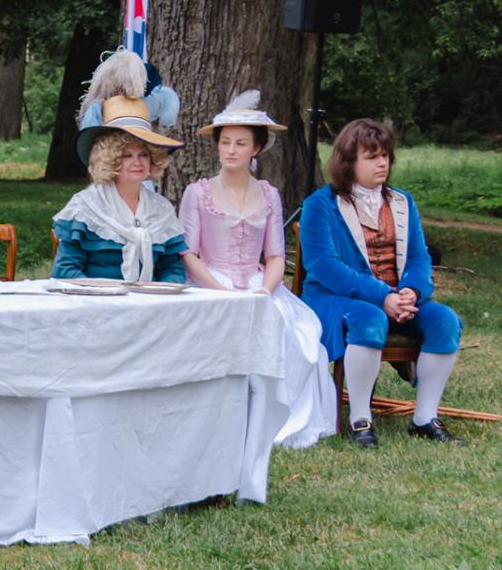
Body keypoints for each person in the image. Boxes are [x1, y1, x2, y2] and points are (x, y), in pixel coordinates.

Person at [179, 90, 336, 448]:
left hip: (258, 280)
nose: (231, 150)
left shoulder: (269, 195)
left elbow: (276, 255)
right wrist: (221, 292)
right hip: (207, 281)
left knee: (297, 335)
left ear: (256, 149)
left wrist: (265, 290)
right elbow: (188, 254)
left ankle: (275, 419)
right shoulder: (197, 193)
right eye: (225, 142)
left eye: (241, 143)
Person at [300, 119, 466, 447]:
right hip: (334, 298)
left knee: (444, 321)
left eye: (386, 155)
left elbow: (419, 257)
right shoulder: (321, 204)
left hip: (397, 297)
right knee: (369, 317)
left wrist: (411, 292)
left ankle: (424, 418)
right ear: (349, 162)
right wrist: (384, 296)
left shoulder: (402, 202)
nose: (382, 163)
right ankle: (360, 419)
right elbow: (325, 267)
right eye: (372, 156)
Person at [52, 51, 187, 283]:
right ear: (110, 158)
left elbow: (173, 268)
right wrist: (108, 299)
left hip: (150, 310)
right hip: (96, 309)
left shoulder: (161, 210)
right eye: (126, 155)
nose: (137, 162)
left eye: (144, 154)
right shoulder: (86, 206)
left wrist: (161, 297)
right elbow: (66, 270)